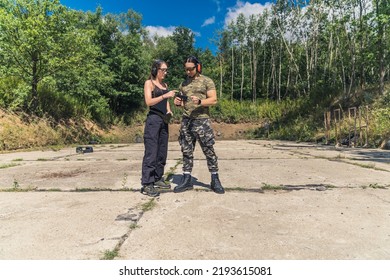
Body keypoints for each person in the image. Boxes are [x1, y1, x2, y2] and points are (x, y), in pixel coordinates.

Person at [173, 56, 225, 194]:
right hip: (187, 121)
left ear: (198, 67)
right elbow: (183, 103)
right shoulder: (183, 84)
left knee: (208, 150)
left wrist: (201, 102)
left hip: (202, 121)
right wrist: (178, 103)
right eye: (186, 69)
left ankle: (215, 179)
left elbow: (213, 100)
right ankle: (186, 179)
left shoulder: (207, 81)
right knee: (186, 151)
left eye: (191, 69)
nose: (188, 71)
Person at [141, 59, 176, 197]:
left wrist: (169, 111)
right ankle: (147, 183)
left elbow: (166, 103)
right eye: (163, 70)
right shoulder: (149, 83)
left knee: (162, 151)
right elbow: (149, 102)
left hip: (163, 121)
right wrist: (165, 95)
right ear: (156, 70)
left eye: (166, 70)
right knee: (151, 152)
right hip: (153, 120)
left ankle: (157, 177)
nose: (165, 72)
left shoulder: (164, 85)